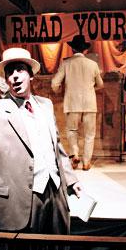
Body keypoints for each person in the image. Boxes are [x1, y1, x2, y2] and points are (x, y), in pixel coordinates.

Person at [0, 48, 81, 234]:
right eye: (10, 72)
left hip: (55, 194)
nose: (15, 76)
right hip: (20, 200)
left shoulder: (45, 105)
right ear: (6, 79)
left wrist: (71, 181)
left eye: (20, 70)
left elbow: (56, 146)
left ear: (31, 75)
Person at [51, 35, 104, 171]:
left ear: (73, 49)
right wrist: (91, 88)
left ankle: (74, 153)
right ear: (85, 50)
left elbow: (55, 83)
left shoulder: (66, 63)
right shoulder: (93, 64)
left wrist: (59, 91)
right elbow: (101, 84)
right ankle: (86, 162)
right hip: (89, 103)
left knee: (72, 131)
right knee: (89, 134)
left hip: (72, 102)